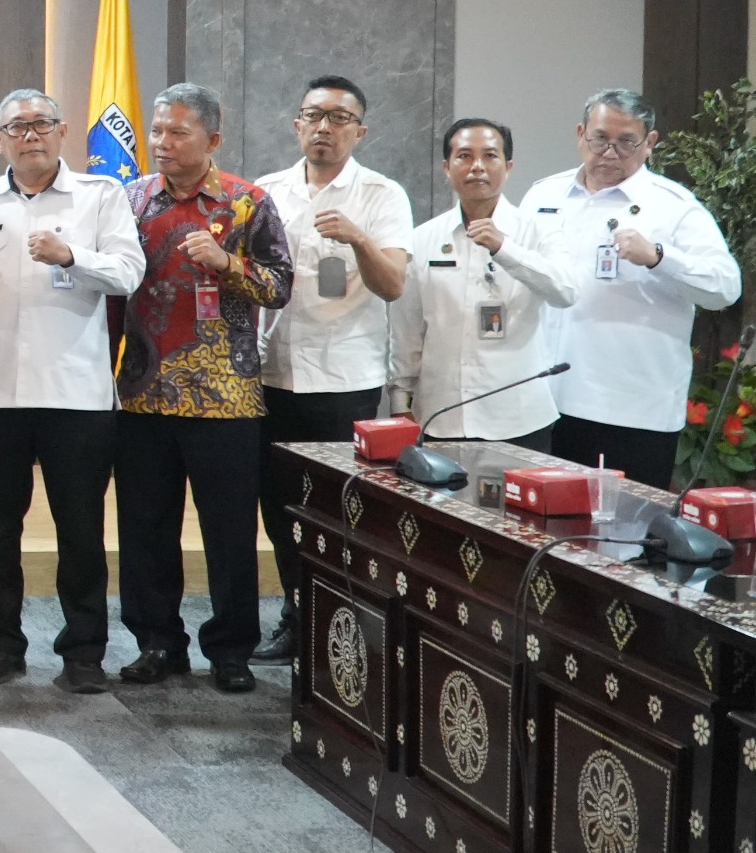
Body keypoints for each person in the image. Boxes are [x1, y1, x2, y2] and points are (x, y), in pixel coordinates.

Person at [0, 91, 143, 693]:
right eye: (17, 127)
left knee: (81, 530)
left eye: (41, 124)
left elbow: (129, 272)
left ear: (62, 132)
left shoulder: (99, 195)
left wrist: (72, 256)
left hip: (75, 394)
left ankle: (84, 651)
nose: (30, 135)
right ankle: (0, 646)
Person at [113, 83, 292, 695]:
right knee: (145, 527)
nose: (161, 142)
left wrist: (227, 263)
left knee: (229, 531)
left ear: (212, 139)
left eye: (177, 132)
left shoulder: (248, 201)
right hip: (145, 392)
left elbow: (280, 285)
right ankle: (157, 642)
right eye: (156, 130)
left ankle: (231, 650)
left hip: (226, 398)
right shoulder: (131, 200)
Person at [251, 75, 412, 664]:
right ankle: (296, 614)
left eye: (339, 118)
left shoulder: (381, 194)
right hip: (273, 373)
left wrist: (359, 239)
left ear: (359, 131)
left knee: (338, 509)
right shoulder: (267, 191)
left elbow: (393, 285)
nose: (324, 127)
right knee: (279, 507)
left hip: (343, 379)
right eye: (314, 115)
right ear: (297, 124)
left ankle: (341, 621)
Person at [525, 89, 742, 486]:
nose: (611, 152)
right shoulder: (544, 195)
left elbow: (725, 286)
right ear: (580, 134)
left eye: (626, 142)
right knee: (538, 517)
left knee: (623, 523)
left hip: (628, 408)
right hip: (544, 399)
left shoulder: (674, 205)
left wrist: (659, 256)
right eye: (600, 138)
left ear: (650, 143)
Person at [390, 119, 574, 450]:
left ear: (508, 167)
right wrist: (399, 402)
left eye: (490, 155)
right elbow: (407, 330)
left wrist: (505, 248)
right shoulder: (423, 239)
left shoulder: (539, 232)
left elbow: (566, 292)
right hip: (441, 415)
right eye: (464, 156)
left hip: (518, 417)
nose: (477, 166)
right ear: (446, 168)